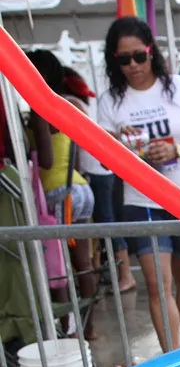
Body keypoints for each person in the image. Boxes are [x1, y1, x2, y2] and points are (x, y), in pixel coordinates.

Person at [98, 16, 180, 362]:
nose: (133, 65)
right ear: (114, 60)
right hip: (141, 201)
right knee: (157, 284)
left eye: (139, 56)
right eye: (124, 59)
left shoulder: (179, 87)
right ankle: (173, 362)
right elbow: (105, 158)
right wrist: (123, 149)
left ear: (152, 52)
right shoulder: (110, 101)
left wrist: (176, 149)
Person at [25, 51, 98, 324]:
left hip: (56, 193)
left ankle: (68, 327)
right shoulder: (69, 105)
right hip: (80, 190)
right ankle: (89, 326)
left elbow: (46, 160)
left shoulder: (40, 109)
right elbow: (75, 159)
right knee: (84, 262)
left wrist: (30, 140)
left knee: (59, 265)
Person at [63, 68, 136, 294]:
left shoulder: (68, 103)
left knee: (106, 223)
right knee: (100, 224)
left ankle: (125, 275)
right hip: (98, 171)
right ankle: (100, 272)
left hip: (96, 172)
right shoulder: (80, 103)